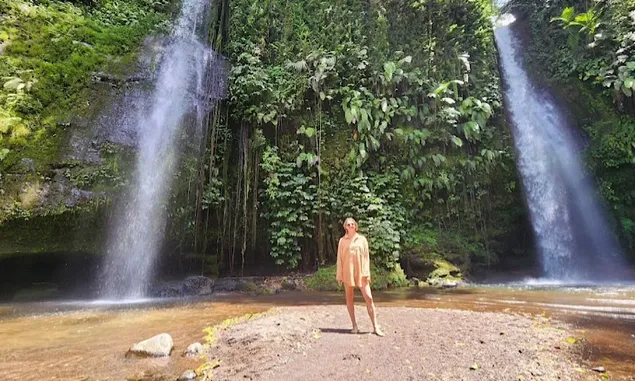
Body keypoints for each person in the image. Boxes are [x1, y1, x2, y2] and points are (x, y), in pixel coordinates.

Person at [336, 217, 384, 336]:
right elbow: (340, 259)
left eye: (353, 224)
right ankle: (354, 326)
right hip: (348, 273)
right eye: (348, 224)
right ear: (345, 227)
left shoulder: (362, 239)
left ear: (356, 226)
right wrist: (339, 275)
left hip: (361, 273)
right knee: (349, 299)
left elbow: (366, 257)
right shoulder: (342, 241)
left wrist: (366, 273)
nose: (351, 226)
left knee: (369, 297)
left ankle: (375, 326)